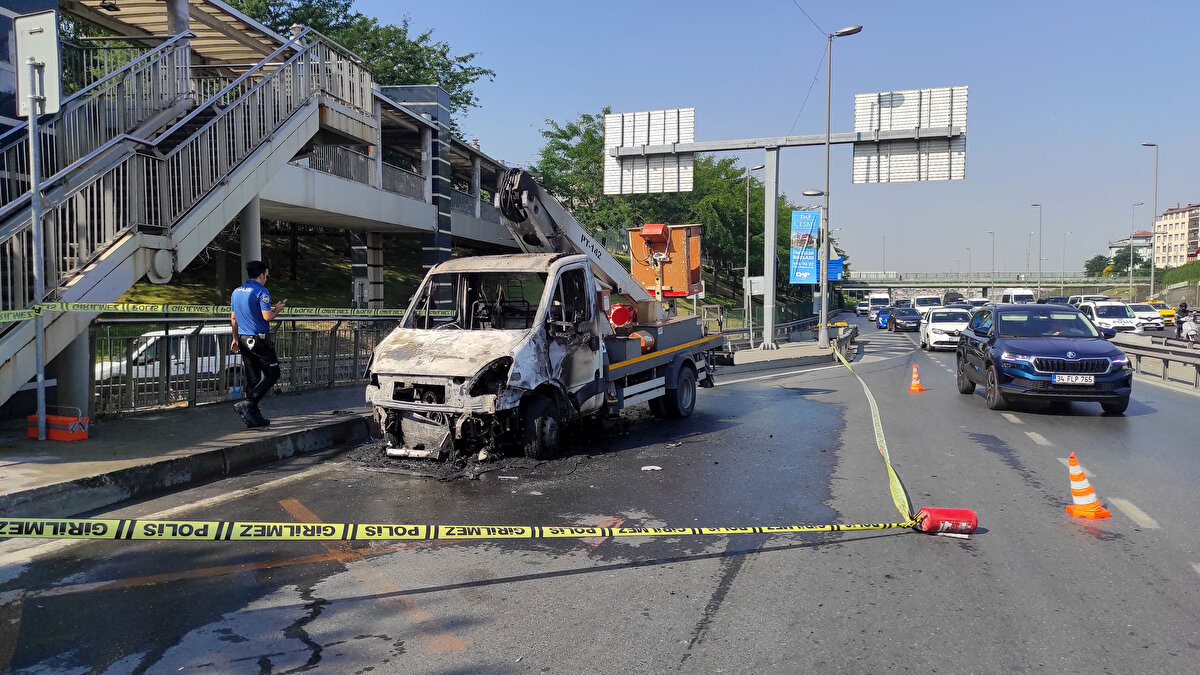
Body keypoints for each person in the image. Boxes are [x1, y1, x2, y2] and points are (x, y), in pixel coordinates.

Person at [230, 260, 286, 427]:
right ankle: (248, 404)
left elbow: (233, 318)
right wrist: (278, 308)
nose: (266, 279)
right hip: (258, 339)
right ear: (261, 275)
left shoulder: (236, 291)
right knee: (273, 373)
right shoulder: (261, 291)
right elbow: (267, 316)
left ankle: (253, 418)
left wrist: (234, 339)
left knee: (252, 379)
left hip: (243, 338)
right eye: (266, 276)